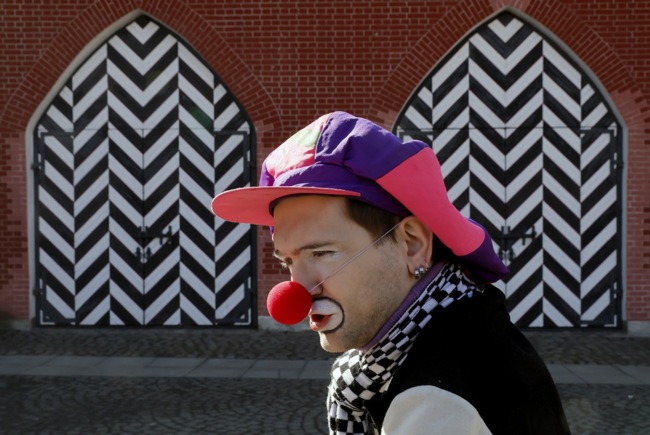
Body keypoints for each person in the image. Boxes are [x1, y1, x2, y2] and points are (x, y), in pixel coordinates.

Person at [211, 112, 570, 434]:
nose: (299, 290)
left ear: (412, 244)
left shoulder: (437, 400)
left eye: (322, 253)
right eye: (288, 261)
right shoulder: (466, 326)